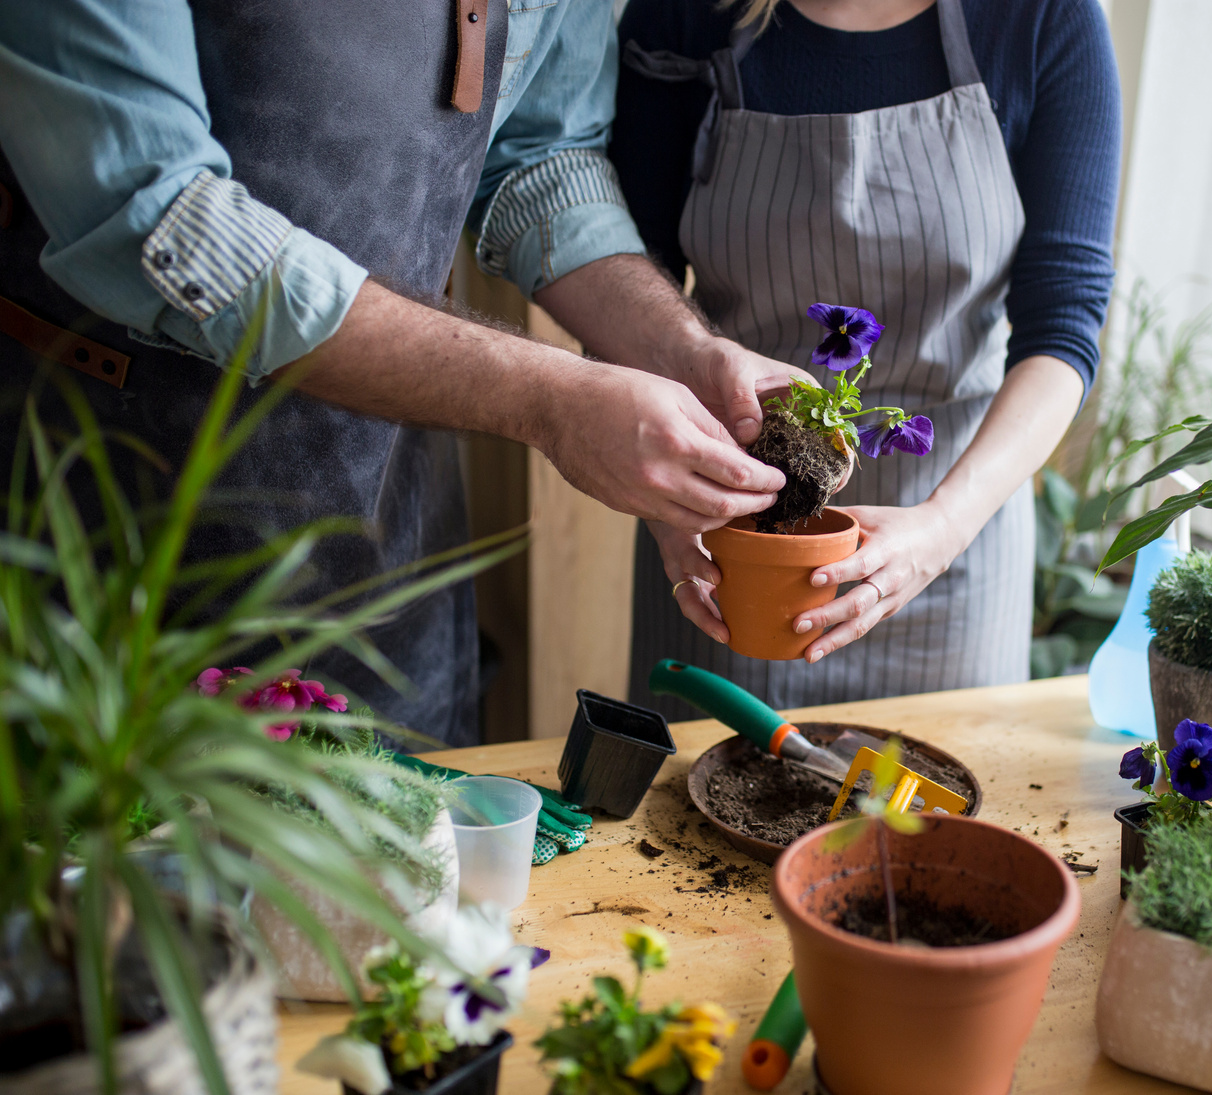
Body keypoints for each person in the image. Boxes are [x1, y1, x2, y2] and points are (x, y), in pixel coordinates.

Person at [0, 0, 804, 746]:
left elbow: (540, 155)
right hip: (105, 526)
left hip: (390, 528)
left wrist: (680, 352)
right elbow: (157, 210)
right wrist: (552, 400)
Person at [615, 0, 1120, 714]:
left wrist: (942, 528)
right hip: (733, 543)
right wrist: (668, 508)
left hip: (953, 545)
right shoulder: (690, 15)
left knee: (937, 819)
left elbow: (1064, 329)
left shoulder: (1041, 18)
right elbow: (620, 282)